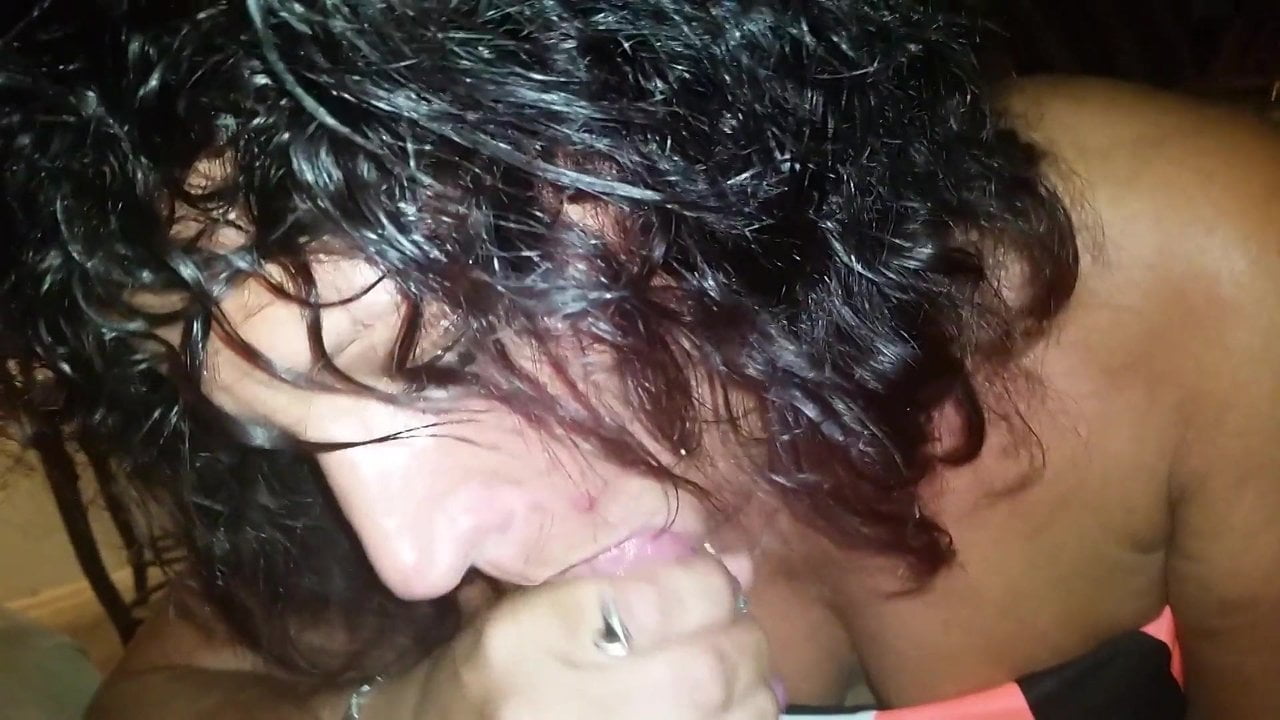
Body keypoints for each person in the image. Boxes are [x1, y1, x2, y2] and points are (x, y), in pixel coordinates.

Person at [2, 1, 1278, 718]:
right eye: (281, 422)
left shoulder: (1195, 270)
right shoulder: (366, 501)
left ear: (699, 133)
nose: (413, 560)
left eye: (449, 352)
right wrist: (405, 713)